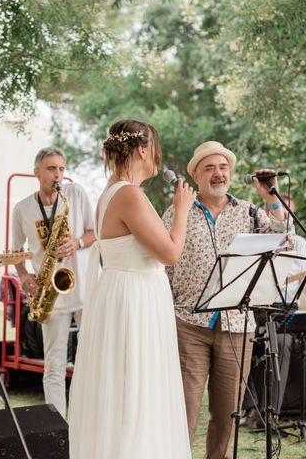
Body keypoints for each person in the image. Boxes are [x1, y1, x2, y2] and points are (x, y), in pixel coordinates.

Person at [68, 119, 195, 458]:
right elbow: (170, 253)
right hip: (135, 299)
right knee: (136, 389)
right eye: (156, 148)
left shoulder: (112, 189)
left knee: (127, 388)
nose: (159, 156)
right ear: (142, 150)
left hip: (124, 293)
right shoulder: (129, 194)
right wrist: (182, 210)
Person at [161, 140, 292, 458]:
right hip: (189, 324)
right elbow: (162, 264)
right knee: (184, 411)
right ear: (196, 175)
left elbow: (285, 241)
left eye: (223, 167)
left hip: (238, 326)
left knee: (227, 416)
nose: (218, 173)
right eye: (210, 168)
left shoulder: (249, 211)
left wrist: (271, 197)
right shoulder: (177, 212)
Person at [11, 146, 95, 417]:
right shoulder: (22, 208)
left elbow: (96, 232)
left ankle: (88, 419)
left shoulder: (76, 194)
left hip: (83, 289)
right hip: (51, 292)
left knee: (92, 358)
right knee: (54, 365)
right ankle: (57, 424)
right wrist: (24, 275)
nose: (58, 174)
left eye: (61, 168)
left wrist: (78, 242)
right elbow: (16, 251)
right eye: (51, 169)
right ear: (37, 173)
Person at [242, 194, 306, 426]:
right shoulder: (256, 239)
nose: (282, 216)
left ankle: (270, 413)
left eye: (287, 213)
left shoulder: (301, 244)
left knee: (281, 343)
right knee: (242, 340)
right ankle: (250, 407)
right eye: (277, 210)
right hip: (255, 306)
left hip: (284, 309)